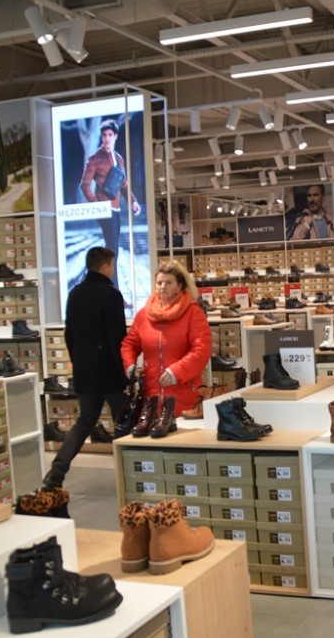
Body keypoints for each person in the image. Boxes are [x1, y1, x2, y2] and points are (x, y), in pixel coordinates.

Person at [43, 247, 127, 489]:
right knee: (122, 422)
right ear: (106, 266)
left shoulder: (75, 293)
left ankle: (56, 473)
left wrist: (78, 362)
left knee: (84, 422)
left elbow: (69, 335)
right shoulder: (111, 295)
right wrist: (125, 373)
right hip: (110, 371)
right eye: (112, 265)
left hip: (84, 371)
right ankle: (126, 474)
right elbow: (117, 338)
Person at [121, 261, 211, 418]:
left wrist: (176, 372)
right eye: (159, 283)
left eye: (168, 283)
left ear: (179, 286)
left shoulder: (193, 313)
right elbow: (130, 344)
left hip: (184, 396)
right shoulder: (144, 315)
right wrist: (130, 365)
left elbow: (202, 349)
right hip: (151, 398)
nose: (162, 286)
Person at [80, 119, 142, 287]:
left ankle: (90, 278)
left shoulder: (118, 158)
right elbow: (84, 184)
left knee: (112, 250)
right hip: (104, 209)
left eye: (109, 135)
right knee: (112, 250)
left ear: (115, 136)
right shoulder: (95, 158)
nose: (106, 138)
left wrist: (133, 201)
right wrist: (96, 204)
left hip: (115, 209)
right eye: (104, 135)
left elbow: (123, 184)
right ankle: (113, 288)